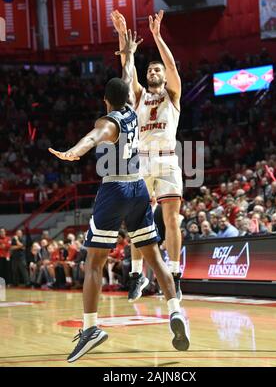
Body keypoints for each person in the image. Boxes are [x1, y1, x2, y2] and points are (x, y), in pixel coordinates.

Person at [49, 30, 189, 363]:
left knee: (94, 262)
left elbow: (95, 135)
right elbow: (128, 80)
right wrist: (127, 52)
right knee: (153, 254)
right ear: (128, 95)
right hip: (139, 186)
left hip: (117, 187)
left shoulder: (114, 116)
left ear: (104, 99)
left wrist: (74, 151)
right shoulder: (132, 109)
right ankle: (175, 309)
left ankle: (91, 327)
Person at [111, 9, 183, 302]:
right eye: (150, 70)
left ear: (164, 76)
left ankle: (175, 276)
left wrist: (156, 35)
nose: (153, 72)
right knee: (136, 220)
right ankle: (137, 275)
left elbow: (172, 65)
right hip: (141, 160)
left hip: (166, 160)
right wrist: (121, 35)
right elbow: (128, 71)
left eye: (157, 70)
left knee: (172, 219)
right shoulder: (139, 96)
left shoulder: (173, 95)